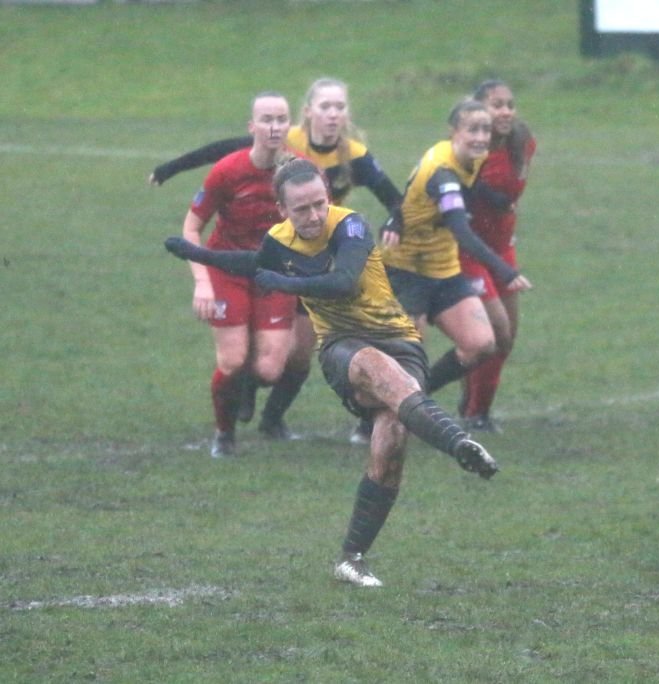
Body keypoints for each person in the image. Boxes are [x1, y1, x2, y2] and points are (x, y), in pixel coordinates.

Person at [164, 158, 498, 587]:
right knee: (381, 371)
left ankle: (351, 558)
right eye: (301, 209)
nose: (314, 215)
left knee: (391, 441)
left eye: (319, 204)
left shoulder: (351, 226)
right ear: (283, 210)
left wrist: (283, 284)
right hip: (342, 345)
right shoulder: (278, 241)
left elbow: (341, 282)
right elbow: (252, 263)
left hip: (400, 339)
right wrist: (195, 253)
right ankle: (458, 444)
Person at [150, 78, 403, 442]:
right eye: (325, 106)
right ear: (307, 113)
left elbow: (369, 205)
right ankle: (229, 425)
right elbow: (220, 153)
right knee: (237, 358)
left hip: (292, 264)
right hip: (249, 263)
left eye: (339, 107)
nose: (332, 114)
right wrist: (172, 168)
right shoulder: (271, 152)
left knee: (285, 362)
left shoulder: (348, 157)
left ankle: (270, 413)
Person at [348, 99, 532, 443]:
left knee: (482, 343)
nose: (480, 137)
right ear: (454, 132)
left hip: (444, 270)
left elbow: (420, 193)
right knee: (407, 357)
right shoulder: (443, 170)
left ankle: (412, 400)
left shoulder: (466, 159)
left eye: (485, 130)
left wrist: (398, 216)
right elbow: (461, 229)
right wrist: (504, 271)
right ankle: (368, 416)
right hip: (406, 271)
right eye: (472, 130)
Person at [177, 91, 298, 458]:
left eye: (281, 119)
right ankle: (224, 433)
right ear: (252, 126)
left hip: (274, 274)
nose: (274, 126)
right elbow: (190, 229)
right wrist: (201, 283)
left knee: (270, 370)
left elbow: (317, 225)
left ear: (289, 125)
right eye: (267, 119)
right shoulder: (228, 171)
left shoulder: (300, 172)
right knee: (231, 361)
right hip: (227, 269)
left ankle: (246, 387)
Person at [458, 80, 537, 433]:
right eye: (495, 105)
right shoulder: (466, 149)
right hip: (469, 251)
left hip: (503, 249)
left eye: (509, 104)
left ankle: (474, 407)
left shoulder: (523, 143)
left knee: (506, 338)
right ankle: (475, 413)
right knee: (494, 333)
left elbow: (514, 194)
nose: (505, 111)